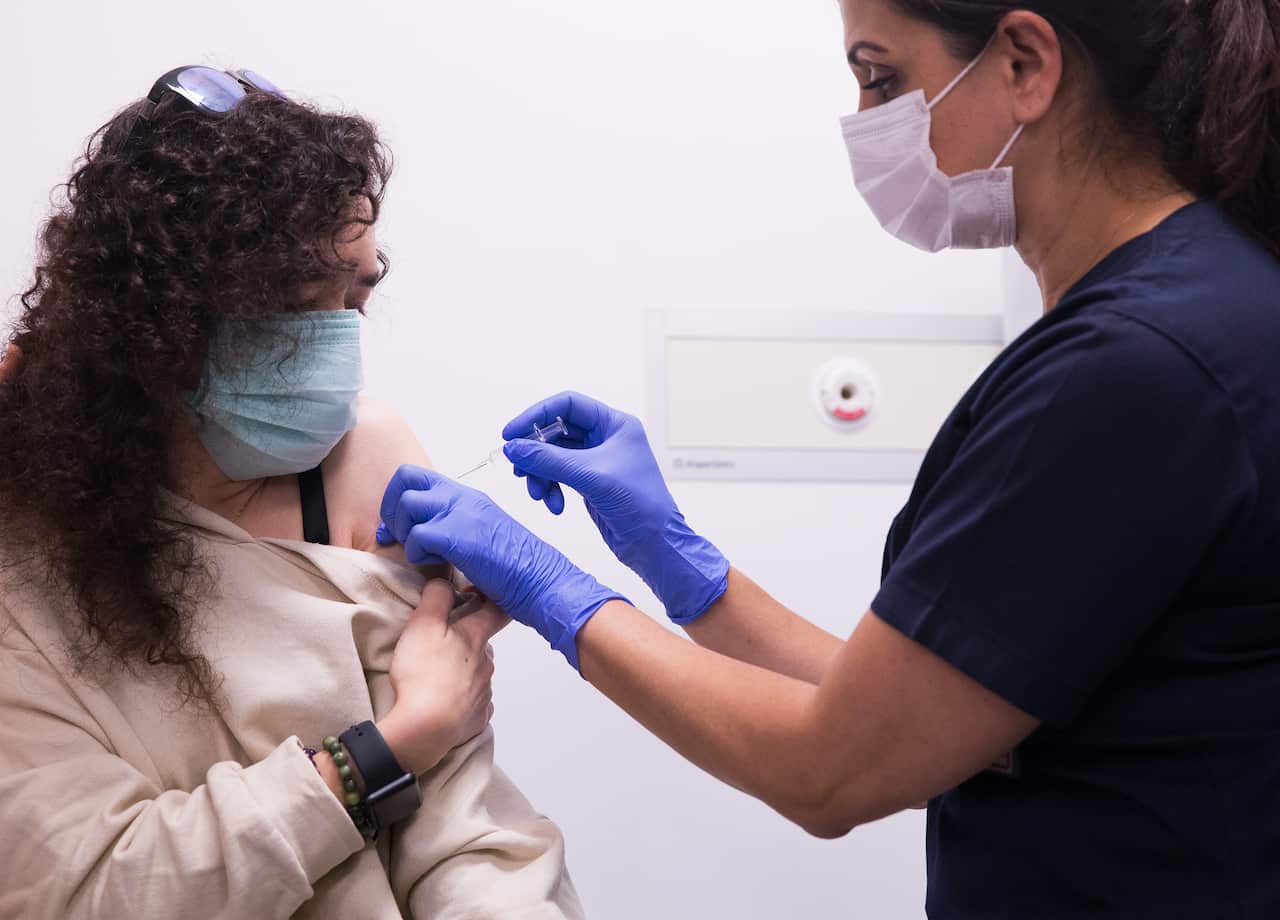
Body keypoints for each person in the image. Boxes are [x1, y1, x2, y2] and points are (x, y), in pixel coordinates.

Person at [378, 1, 1280, 916]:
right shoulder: (1196, 303)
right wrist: (684, 569)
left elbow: (831, 770)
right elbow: (914, 713)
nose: (863, 122)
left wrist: (553, 589)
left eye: (881, 77)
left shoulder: (1138, 364)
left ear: (1024, 63)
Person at [0, 68, 582, 918]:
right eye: (296, 298)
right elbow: (95, 888)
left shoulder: (363, 464)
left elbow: (463, 821)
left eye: (357, 289)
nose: (338, 338)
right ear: (156, 315)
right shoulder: (26, 531)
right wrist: (383, 751)